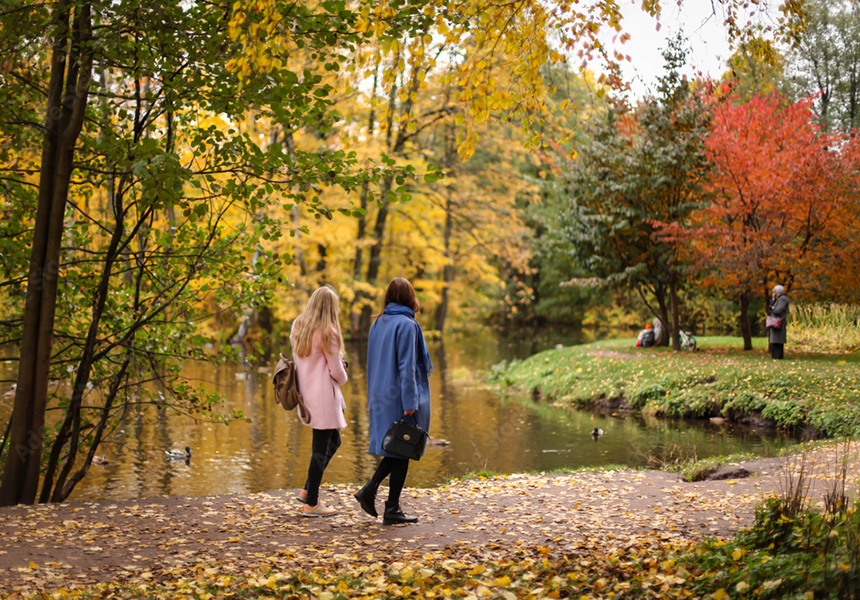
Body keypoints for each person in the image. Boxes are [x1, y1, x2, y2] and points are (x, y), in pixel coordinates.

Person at [354, 277, 433, 525]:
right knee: (402, 448)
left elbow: (372, 365)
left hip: (380, 396)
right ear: (411, 298)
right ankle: (386, 504)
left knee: (398, 449)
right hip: (400, 397)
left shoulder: (378, 323)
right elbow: (406, 367)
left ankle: (382, 499)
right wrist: (411, 402)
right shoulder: (407, 325)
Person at [290, 285, 349, 517]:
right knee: (320, 450)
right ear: (330, 308)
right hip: (323, 396)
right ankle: (312, 503)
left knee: (334, 441)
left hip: (305, 394)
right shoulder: (328, 332)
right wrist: (344, 370)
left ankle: (308, 490)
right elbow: (337, 373)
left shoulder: (298, 326)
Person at [768, 284, 790, 360]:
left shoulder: (783, 299)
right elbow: (772, 307)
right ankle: (776, 355)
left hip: (779, 322)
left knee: (778, 340)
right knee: (776, 340)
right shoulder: (779, 299)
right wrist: (773, 300)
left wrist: (773, 308)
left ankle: (777, 356)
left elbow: (778, 310)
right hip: (776, 322)